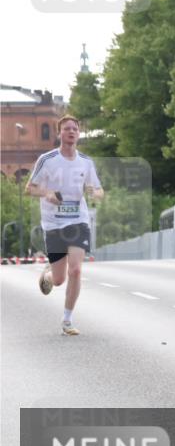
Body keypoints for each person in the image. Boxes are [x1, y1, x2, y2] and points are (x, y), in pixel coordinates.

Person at [28, 115, 104, 335]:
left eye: (75, 129)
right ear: (59, 133)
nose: (71, 132)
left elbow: (99, 190)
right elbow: (29, 188)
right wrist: (47, 193)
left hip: (78, 221)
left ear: (78, 134)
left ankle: (67, 320)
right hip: (53, 224)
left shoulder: (86, 162)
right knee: (60, 279)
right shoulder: (47, 159)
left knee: (77, 270)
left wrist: (95, 193)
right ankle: (48, 275)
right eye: (67, 129)